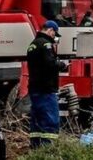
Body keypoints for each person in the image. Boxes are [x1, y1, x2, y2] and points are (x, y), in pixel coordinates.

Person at [26, 20, 65, 148]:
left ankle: (36, 149)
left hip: (34, 89)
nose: (54, 36)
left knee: (36, 121)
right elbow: (50, 64)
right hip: (46, 89)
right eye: (55, 33)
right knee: (50, 120)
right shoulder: (46, 44)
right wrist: (62, 64)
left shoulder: (33, 44)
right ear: (50, 30)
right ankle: (48, 150)